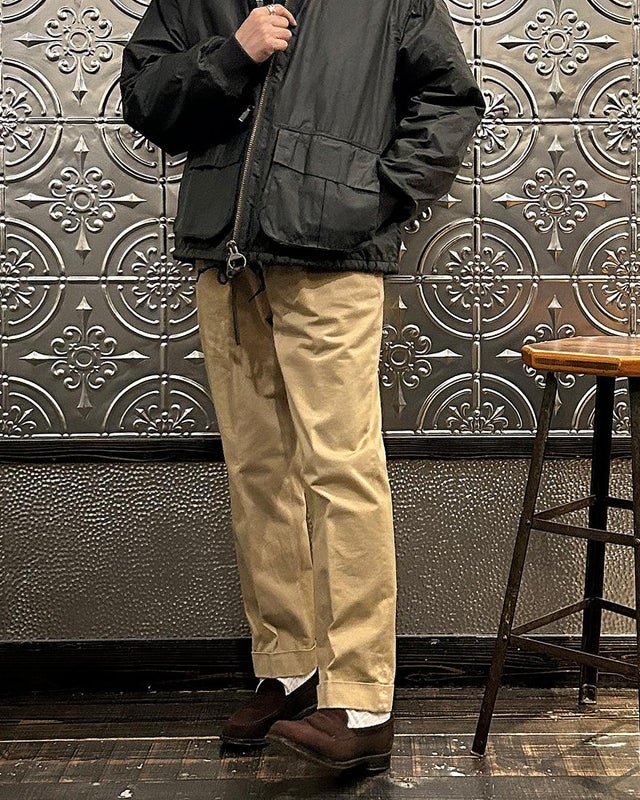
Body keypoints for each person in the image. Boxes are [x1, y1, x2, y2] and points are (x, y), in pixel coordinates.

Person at [120, 0, 484, 774]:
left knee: (341, 469)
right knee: (259, 475)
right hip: (226, 260)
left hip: (332, 263)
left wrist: (378, 198)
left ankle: (361, 702)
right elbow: (147, 100)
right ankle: (289, 671)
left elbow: (450, 98)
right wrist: (232, 55)